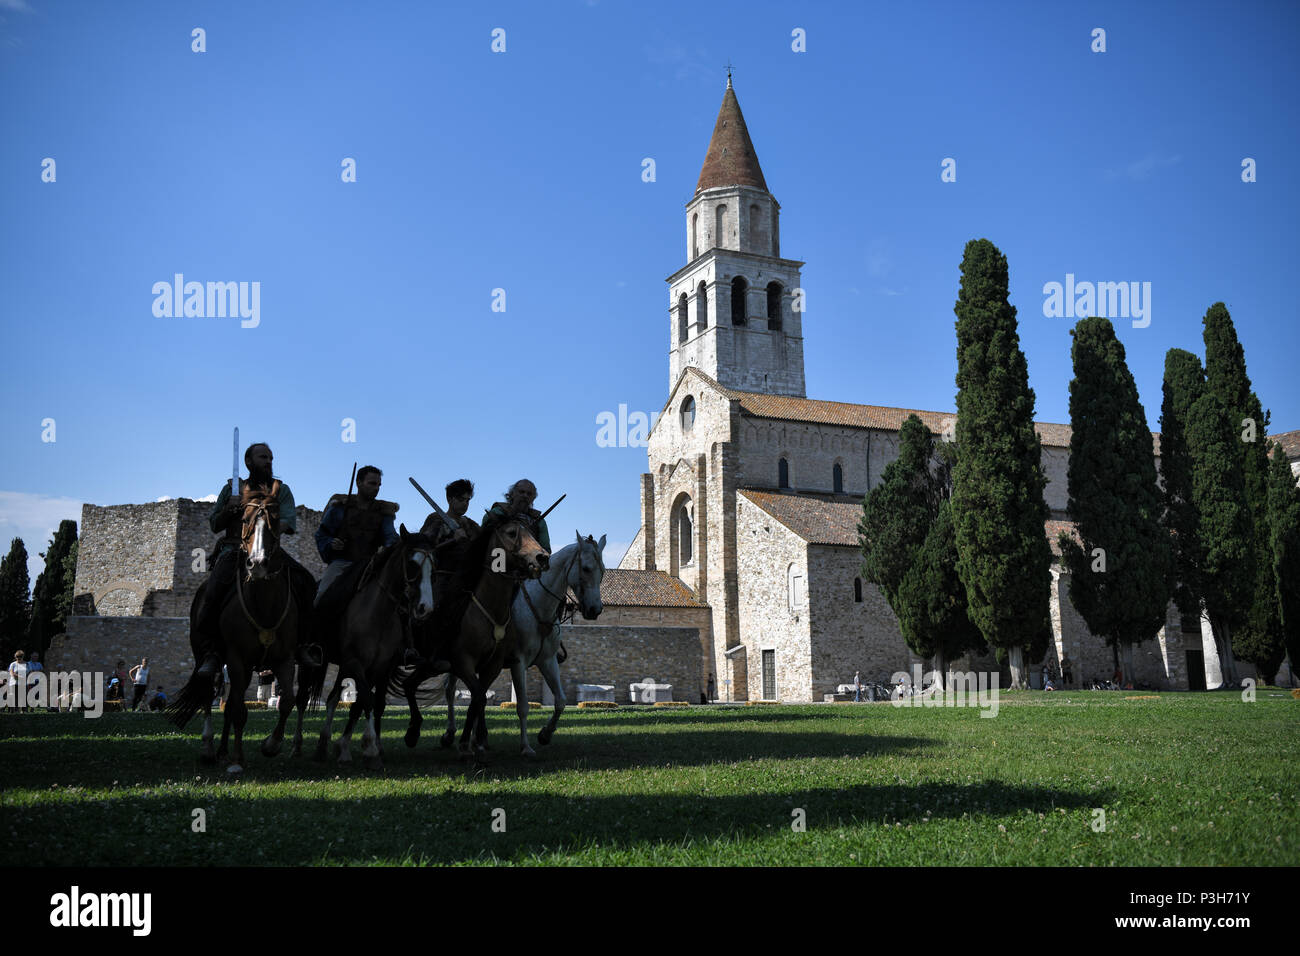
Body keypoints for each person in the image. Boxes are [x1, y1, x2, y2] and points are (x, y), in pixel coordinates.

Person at [193, 443, 318, 677]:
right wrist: (230, 509)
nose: (268, 461)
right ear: (249, 462)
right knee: (212, 591)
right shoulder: (232, 489)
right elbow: (214, 524)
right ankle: (211, 651)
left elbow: (289, 521)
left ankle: (303, 645)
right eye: (263, 457)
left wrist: (266, 530)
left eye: (270, 457)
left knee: (306, 581)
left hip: (269, 548)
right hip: (234, 549)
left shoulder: (281, 490)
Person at [313, 464, 407, 660]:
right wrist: (332, 543)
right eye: (372, 483)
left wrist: (396, 545)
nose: (376, 488)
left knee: (401, 597)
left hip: (369, 564)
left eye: (379, 485)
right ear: (358, 483)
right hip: (342, 563)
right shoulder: (339, 508)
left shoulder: (383, 513)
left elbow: (390, 536)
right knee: (321, 595)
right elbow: (322, 533)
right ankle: (312, 643)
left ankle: (404, 648)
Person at [419, 478, 481, 607]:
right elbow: (424, 551)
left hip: (466, 581)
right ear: (449, 499)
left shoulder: (471, 525)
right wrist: (453, 540)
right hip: (440, 578)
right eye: (461, 499)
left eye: (467, 500)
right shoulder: (435, 519)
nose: (465, 504)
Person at [481, 479, 551, 553]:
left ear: (533, 498)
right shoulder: (497, 512)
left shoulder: (539, 522)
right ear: (512, 494)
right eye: (521, 492)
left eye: (529, 494)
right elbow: (483, 542)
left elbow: (546, 550)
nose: (525, 496)